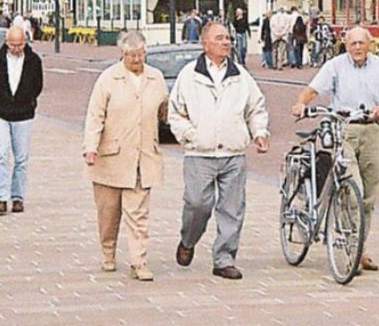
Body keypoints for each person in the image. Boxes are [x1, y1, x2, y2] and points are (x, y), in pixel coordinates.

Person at [168, 21, 269, 280]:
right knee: (197, 203)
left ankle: (224, 259)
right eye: (219, 38)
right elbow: (175, 113)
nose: (226, 42)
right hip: (200, 153)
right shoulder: (189, 75)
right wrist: (191, 135)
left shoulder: (241, 75)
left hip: (233, 153)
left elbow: (256, 107)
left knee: (232, 208)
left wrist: (259, 132)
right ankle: (188, 240)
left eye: (227, 38)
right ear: (205, 44)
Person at [292, 26, 379, 273]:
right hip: (344, 130)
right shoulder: (335, 66)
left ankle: (361, 247)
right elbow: (312, 89)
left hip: (371, 129)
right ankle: (352, 250)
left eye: (362, 43)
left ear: (370, 44)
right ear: (346, 45)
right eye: (353, 43)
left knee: (369, 195)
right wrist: (301, 104)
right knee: (353, 190)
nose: (358, 47)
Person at [83, 30, 169, 281]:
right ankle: (108, 251)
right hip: (111, 157)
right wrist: (90, 147)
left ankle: (138, 261)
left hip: (143, 157)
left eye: (141, 54)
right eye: (132, 55)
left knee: (138, 214)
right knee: (108, 212)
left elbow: (165, 111)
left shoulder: (156, 78)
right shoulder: (108, 79)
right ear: (122, 54)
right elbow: (95, 116)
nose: (137, 59)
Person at [0, 24, 45, 215]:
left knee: (21, 158)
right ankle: (1, 197)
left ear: (25, 42)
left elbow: (37, 85)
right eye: (13, 45)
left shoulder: (34, 60)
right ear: (6, 42)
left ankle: (17, 197)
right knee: (0, 154)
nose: (16, 49)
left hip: (23, 113)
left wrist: (28, 101)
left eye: (20, 45)